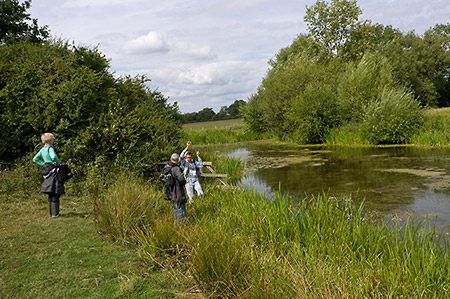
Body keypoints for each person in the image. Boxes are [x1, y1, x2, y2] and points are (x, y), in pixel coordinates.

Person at [32, 133, 65, 218]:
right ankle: (55, 214)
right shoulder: (50, 148)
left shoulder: (42, 149)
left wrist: (43, 163)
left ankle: (51, 214)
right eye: (53, 139)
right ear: (50, 140)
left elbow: (35, 159)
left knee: (50, 192)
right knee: (55, 191)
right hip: (53, 171)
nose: (54, 140)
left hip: (46, 170)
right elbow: (53, 156)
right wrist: (57, 163)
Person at [164, 153, 187, 223]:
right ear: (177, 160)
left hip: (170, 192)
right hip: (178, 192)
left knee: (175, 209)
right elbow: (182, 179)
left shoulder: (166, 167)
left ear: (171, 159)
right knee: (181, 210)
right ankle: (180, 226)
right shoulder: (176, 169)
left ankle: (175, 224)